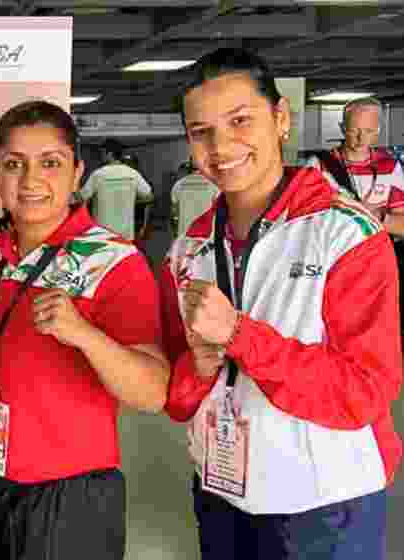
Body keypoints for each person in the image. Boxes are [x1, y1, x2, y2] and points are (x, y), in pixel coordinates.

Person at [160, 48, 402, 560]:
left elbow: (362, 393)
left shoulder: (346, 234)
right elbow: (178, 398)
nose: (221, 146)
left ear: (281, 120)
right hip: (220, 491)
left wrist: (240, 335)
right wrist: (197, 369)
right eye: (201, 131)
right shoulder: (189, 249)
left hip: (325, 502)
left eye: (240, 121)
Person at [0, 100, 168, 560]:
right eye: (14, 165)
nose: (31, 181)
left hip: (70, 493)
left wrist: (84, 334)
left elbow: (153, 392)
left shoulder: (113, 261)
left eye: (49, 164)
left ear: (77, 173)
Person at [303, 97, 404, 233]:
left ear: (378, 130)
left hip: (373, 251)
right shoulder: (318, 165)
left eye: (369, 131)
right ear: (342, 128)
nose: (361, 138)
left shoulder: (390, 167)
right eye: (354, 130)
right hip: (333, 249)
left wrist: (378, 217)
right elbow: (301, 218)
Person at [77, 139, 153, 240]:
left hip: (103, 233)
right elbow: (149, 196)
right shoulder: (132, 173)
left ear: (110, 154)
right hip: (125, 234)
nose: (101, 156)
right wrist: (132, 200)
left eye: (103, 153)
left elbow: (82, 197)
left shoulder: (99, 174)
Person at [171, 161, 220, 238]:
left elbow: (174, 213)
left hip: (184, 236)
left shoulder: (178, 185)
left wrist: (175, 233)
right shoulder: (213, 185)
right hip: (206, 238)